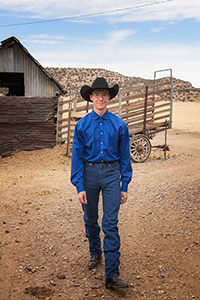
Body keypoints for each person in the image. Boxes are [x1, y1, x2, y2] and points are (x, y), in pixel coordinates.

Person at [71, 77, 132, 289]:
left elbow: (125, 156)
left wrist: (124, 185)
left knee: (110, 223)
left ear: (109, 98)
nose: (100, 98)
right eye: (97, 94)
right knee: (90, 218)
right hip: (88, 175)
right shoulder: (81, 125)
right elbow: (77, 158)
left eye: (104, 95)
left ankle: (111, 275)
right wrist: (79, 186)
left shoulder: (119, 125)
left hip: (111, 174)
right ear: (91, 97)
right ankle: (95, 253)